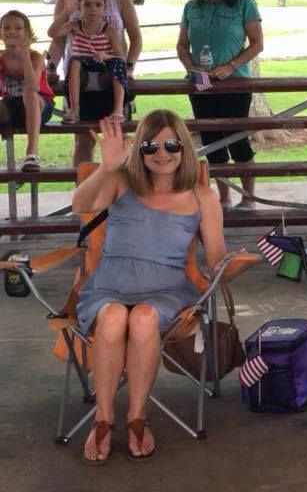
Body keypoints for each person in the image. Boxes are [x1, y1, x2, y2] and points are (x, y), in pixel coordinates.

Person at [73, 111, 232, 465]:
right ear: (139, 150)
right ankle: (103, 419)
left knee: (143, 317)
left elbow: (217, 255)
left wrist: (229, 266)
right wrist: (105, 166)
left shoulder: (202, 196)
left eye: (172, 144)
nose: (162, 153)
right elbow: (80, 205)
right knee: (113, 317)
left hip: (167, 290)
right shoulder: (121, 181)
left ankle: (137, 417)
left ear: (184, 148)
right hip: (109, 285)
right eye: (151, 146)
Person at [176, 0, 264, 210]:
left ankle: (248, 197)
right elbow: (181, 45)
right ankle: (223, 198)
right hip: (201, 82)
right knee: (212, 143)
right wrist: (191, 67)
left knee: (237, 141)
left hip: (234, 82)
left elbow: (257, 43)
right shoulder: (192, 7)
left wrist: (231, 65)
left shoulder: (244, 3)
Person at [46, 0, 142, 165]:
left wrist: (129, 67)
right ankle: (84, 194)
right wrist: (50, 68)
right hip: (78, 76)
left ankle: (122, 193)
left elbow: (135, 37)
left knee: (119, 137)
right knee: (83, 140)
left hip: (110, 74)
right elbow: (58, 39)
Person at [50, 0, 127, 123]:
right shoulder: (74, 25)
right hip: (82, 74)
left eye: (98, 5)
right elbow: (52, 33)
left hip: (103, 73)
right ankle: (74, 109)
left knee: (118, 63)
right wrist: (66, 12)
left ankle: (118, 110)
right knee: (75, 60)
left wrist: (105, 56)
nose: (93, 9)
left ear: (104, 8)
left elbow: (120, 56)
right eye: (87, 5)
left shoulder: (109, 30)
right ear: (79, 7)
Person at [0, 10, 54, 171]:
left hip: (39, 105)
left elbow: (33, 86)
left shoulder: (35, 57)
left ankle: (31, 153)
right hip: (13, 106)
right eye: (7, 27)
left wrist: (24, 53)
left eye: (18, 28)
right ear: (1, 33)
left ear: (27, 33)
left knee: (28, 93)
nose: (12, 31)